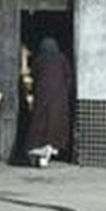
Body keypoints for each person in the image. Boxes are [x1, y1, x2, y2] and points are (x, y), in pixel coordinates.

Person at [24, 37, 71, 167]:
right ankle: (48, 153)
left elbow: (33, 76)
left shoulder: (39, 60)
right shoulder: (62, 59)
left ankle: (38, 152)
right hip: (59, 100)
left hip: (42, 98)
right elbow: (68, 77)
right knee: (55, 126)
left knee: (39, 124)